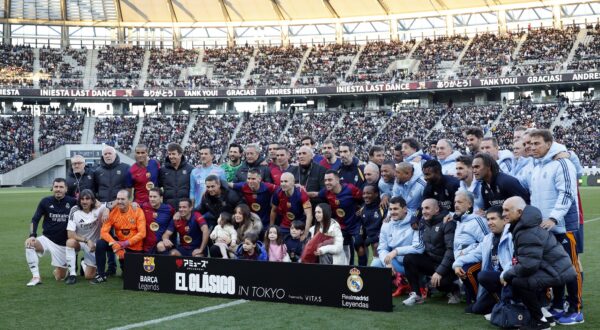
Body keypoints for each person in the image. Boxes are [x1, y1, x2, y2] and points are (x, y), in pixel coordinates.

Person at [526, 129, 583, 325]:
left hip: (562, 226)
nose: (532, 147)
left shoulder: (562, 163)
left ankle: (576, 309)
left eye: (537, 143)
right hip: (545, 228)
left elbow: (567, 193)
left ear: (549, 144)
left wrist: (553, 218)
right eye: (530, 144)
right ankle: (558, 305)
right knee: (554, 269)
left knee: (570, 268)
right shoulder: (537, 166)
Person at [501, 197, 577, 329]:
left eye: (507, 210)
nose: (503, 214)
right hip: (556, 269)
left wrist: (507, 275)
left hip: (557, 272)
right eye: (503, 210)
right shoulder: (525, 225)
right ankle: (545, 316)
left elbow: (528, 266)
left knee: (519, 282)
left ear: (519, 212)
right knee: (520, 279)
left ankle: (540, 322)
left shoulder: (526, 231)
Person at [451, 206, 513, 314]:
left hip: (509, 278)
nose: (489, 222)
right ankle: (499, 304)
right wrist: (457, 264)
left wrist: (504, 275)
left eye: (493, 219)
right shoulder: (488, 238)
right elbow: (475, 254)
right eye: (488, 219)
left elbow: (515, 261)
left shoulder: (511, 236)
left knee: (483, 276)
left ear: (504, 220)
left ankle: (506, 305)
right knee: (475, 309)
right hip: (494, 282)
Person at [403, 198, 459, 306]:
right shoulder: (423, 222)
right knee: (409, 258)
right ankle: (416, 295)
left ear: (437, 209)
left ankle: (454, 289)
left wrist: (439, 272)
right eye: (422, 208)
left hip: (448, 265)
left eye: (427, 208)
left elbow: (451, 251)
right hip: (431, 261)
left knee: (438, 283)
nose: (423, 211)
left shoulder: (448, 222)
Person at [25, 178, 77, 286]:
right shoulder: (45, 201)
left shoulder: (73, 202)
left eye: (61, 187)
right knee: (29, 244)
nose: (58, 189)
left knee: (60, 277)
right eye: (56, 187)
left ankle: (62, 269)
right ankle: (36, 277)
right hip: (47, 239)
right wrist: (32, 235)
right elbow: (35, 219)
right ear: (52, 188)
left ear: (66, 189)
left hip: (63, 244)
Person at [371, 196, 424, 297]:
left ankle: (418, 285)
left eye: (395, 209)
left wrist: (396, 251)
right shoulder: (386, 224)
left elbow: (419, 247)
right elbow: (382, 248)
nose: (392, 212)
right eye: (390, 209)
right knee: (376, 263)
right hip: (396, 263)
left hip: (412, 264)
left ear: (404, 209)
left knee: (411, 259)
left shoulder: (414, 222)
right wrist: (387, 263)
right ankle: (387, 290)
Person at [93, 189, 146, 284]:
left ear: (130, 200)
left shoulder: (137, 211)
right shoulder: (113, 211)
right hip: (118, 245)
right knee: (100, 243)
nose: (120, 201)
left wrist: (125, 244)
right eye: (118, 199)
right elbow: (103, 232)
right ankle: (101, 275)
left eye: (123, 199)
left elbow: (142, 233)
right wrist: (114, 244)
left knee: (131, 276)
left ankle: (124, 266)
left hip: (134, 247)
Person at [452, 191, 490, 308]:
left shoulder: (478, 221)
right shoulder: (460, 220)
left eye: (459, 202)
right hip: (462, 259)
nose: (456, 205)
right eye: (455, 202)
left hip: (478, 260)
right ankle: (473, 300)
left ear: (469, 204)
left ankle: (479, 301)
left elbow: (487, 243)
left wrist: (466, 252)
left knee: (466, 271)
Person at [316, 170, 363, 264]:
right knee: (345, 248)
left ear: (337, 179)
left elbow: (363, 198)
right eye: (325, 180)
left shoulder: (350, 188)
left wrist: (363, 208)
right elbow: (315, 195)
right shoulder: (326, 192)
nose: (327, 182)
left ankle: (364, 269)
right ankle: (349, 268)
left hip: (355, 224)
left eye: (330, 180)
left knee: (359, 246)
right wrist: (301, 190)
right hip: (341, 226)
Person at [65, 190, 108, 284]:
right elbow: (70, 234)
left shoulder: (99, 208)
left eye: (87, 199)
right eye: (82, 199)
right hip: (80, 241)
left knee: (89, 276)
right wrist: (87, 240)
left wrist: (106, 209)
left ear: (93, 200)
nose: (84, 201)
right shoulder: (75, 210)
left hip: (94, 245)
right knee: (70, 242)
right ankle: (72, 274)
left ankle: (83, 262)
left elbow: (113, 204)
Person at [270, 172, 312, 237]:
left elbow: (309, 215)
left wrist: (305, 234)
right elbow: (273, 210)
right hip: (285, 225)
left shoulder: (301, 194)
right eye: (281, 181)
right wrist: (271, 227)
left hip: (299, 225)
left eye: (286, 181)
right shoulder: (278, 193)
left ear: (293, 182)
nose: (283, 184)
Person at [356, 184, 386, 266]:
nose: (365, 196)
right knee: (358, 245)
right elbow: (362, 226)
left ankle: (376, 267)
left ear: (376, 194)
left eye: (368, 193)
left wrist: (373, 239)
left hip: (380, 237)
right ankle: (362, 269)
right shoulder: (362, 209)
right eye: (364, 193)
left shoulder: (382, 208)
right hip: (369, 236)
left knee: (376, 245)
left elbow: (385, 229)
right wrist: (360, 237)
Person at [159, 142, 194, 208]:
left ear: (180, 154)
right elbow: (157, 187)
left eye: (173, 154)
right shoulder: (163, 170)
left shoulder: (190, 169)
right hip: (168, 208)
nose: (171, 156)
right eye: (169, 154)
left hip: (184, 209)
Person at [140, 187, 174, 253]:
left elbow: (175, 221)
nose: (152, 199)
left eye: (155, 197)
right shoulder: (143, 207)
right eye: (150, 196)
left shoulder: (169, 209)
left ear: (161, 198)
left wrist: (166, 236)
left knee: (161, 247)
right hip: (147, 246)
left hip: (161, 243)